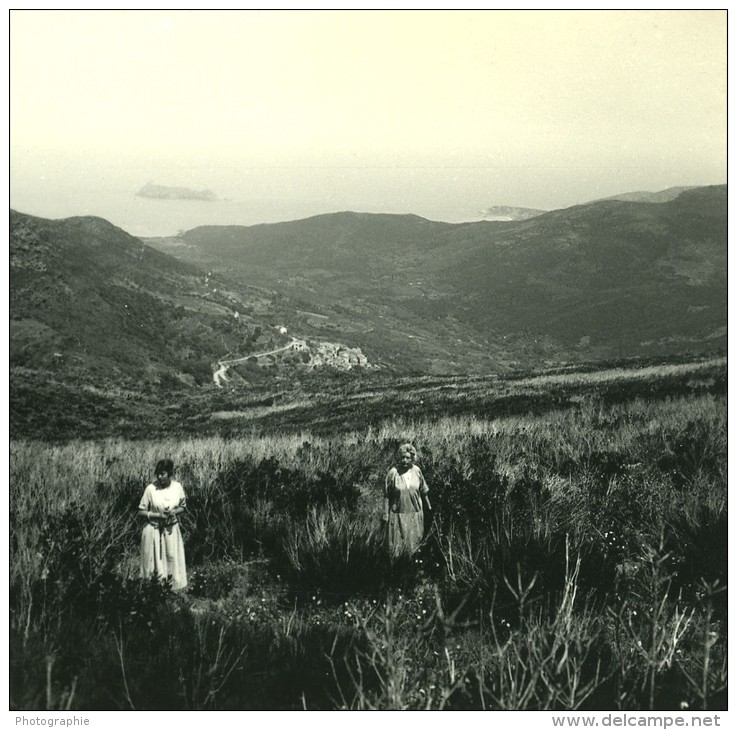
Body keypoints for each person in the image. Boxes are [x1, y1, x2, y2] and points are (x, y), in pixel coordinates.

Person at [138, 458, 187, 590]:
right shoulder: (150, 489)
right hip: (153, 530)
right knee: (154, 562)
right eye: (158, 474)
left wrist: (174, 512)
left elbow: (183, 506)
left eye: (163, 474)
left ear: (170, 473)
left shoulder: (177, 487)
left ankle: (171, 590)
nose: (160, 477)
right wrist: (157, 515)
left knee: (171, 558)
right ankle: (153, 591)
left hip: (171, 529)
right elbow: (141, 511)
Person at [384, 443, 431, 557]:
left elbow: (423, 491)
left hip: (415, 514)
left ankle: (413, 570)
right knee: (397, 548)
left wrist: (429, 506)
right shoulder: (393, 473)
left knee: (414, 546)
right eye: (402, 457)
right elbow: (387, 495)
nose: (404, 460)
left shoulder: (417, 471)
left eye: (408, 458)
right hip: (398, 515)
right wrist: (385, 514)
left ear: (412, 458)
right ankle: (398, 571)